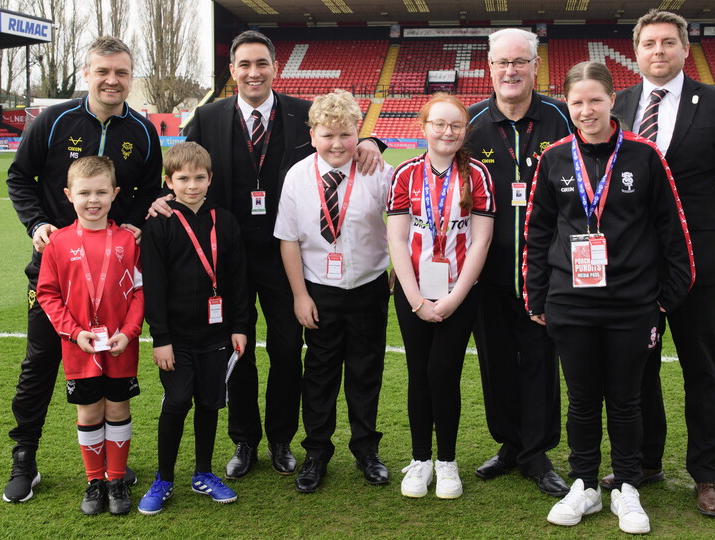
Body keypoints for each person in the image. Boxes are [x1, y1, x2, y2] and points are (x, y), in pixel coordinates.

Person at [154, 30, 385, 480]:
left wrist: (373, 140)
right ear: (232, 71)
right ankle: (245, 440)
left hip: (286, 255)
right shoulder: (207, 115)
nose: (253, 72)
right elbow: (178, 165)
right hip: (224, 259)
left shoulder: (301, 112)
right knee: (236, 349)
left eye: (261, 63)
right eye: (244, 65)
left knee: (286, 351)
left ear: (275, 67)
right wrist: (158, 198)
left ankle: (281, 439)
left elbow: (341, 133)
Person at [525, 61, 694, 535]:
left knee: (625, 401)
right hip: (570, 301)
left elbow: (672, 230)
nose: (586, 110)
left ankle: (626, 487)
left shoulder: (644, 156)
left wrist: (666, 298)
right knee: (580, 400)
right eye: (576, 102)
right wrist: (537, 294)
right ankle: (584, 484)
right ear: (567, 104)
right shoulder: (555, 158)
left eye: (595, 100)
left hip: (631, 303)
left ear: (612, 101)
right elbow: (537, 232)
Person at [606, 10, 715, 517]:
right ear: (637, 51)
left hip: (696, 265)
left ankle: (708, 474)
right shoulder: (619, 104)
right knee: (637, 370)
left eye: (668, 42)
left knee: (701, 369)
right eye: (649, 43)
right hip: (632, 267)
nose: (659, 51)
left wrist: (694, 228)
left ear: (684, 48)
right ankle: (645, 462)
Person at [4, 35, 161, 504]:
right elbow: (19, 176)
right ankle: (24, 457)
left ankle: (113, 465)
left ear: (130, 78)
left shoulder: (144, 131)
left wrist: (133, 225)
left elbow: (150, 190)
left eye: (121, 73)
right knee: (40, 364)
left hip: (114, 272)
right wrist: (37, 223)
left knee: (111, 368)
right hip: (58, 267)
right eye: (103, 71)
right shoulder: (53, 122)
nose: (112, 80)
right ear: (87, 74)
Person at [466, 27, 572, 496]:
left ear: (534, 66)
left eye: (520, 62)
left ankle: (537, 452)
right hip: (484, 274)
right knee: (496, 364)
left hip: (545, 274)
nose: (510, 71)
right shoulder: (468, 122)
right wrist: (373, 142)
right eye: (501, 63)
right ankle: (509, 445)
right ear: (489, 68)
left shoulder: (562, 117)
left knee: (540, 364)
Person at [274, 90, 394, 494]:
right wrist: (299, 296)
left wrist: (397, 272)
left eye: (345, 134)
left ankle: (365, 450)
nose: (337, 144)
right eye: (328, 135)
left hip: (368, 287)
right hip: (318, 291)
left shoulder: (377, 171)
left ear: (357, 132)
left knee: (365, 372)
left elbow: (401, 224)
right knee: (320, 375)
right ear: (312, 135)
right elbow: (288, 239)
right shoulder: (296, 176)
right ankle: (317, 452)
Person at [388, 94, 495, 500]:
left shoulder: (478, 174)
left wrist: (454, 298)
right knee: (419, 373)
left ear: (464, 131)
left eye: (455, 125)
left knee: (444, 374)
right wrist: (415, 299)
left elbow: (481, 241)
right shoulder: (404, 174)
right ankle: (420, 460)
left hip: (460, 292)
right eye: (439, 124)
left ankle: (447, 462)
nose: (447, 132)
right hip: (412, 290)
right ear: (424, 127)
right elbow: (397, 239)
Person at [137, 142, 248, 515]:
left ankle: (203, 472)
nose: (192, 185)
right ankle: (164, 477)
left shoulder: (225, 220)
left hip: (217, 334)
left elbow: (237, 280)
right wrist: (161, 338)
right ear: (169, 181)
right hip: (177, 338)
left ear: (210, 178)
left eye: (199, 177)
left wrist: (240, 326)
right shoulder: (160, 223)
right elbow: (153, 284)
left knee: (210, 402)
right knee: (178, 400)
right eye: (183, 178)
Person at [34, 156, 145, 515]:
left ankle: (116, 480)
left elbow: (140, 293)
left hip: (120, 348)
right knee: (88, 413)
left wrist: (129, 334)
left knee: (117, 408)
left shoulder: (128, 241)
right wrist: (73, 332)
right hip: (79, 348)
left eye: (101, 192)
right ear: (69, 195)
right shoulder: (58, 243)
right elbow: (47, 295)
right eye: (84, 193)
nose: (93, 200)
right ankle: (94, 481)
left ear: (115, 193)